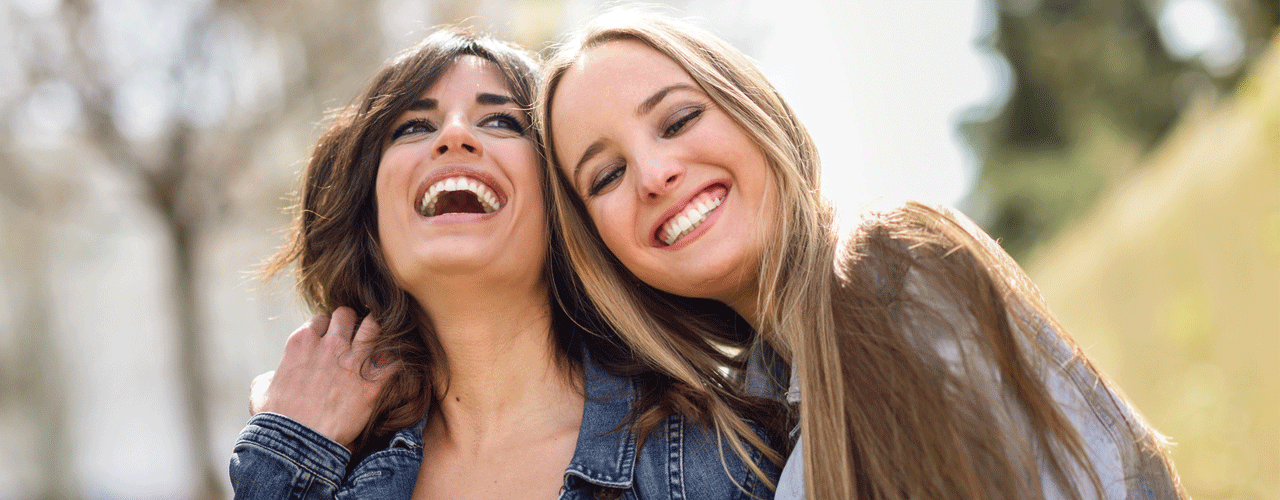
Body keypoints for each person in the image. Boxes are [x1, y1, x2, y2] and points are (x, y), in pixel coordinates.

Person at [538, 11, 1185, 500]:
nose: (653, 174)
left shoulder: (887, 270)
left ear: (750, 111)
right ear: (601, 251)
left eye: (677, 121)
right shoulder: (755, 417)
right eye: (606, 176)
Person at [229, 27, 783, 499]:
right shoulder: (321, 465)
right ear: (370, 216)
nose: (453, 136)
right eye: (414, 127)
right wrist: (289, 452)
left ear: (563, 203)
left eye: (501, 122)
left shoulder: (724, 453)